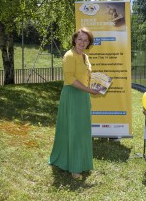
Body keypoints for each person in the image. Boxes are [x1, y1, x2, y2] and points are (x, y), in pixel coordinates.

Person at [49, 27, 100, 180]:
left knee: (82, 130)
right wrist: (89, 90)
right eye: (80, 39)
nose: (82, 42)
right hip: (72, 95)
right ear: (74, 40)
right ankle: (74, 167)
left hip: (83, 96)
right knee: (73, 130)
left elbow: (87, 75)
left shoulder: (85, 56)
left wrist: (96, 86)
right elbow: (70, 79)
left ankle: (81, 162)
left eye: (86, 40)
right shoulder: (69, 56)